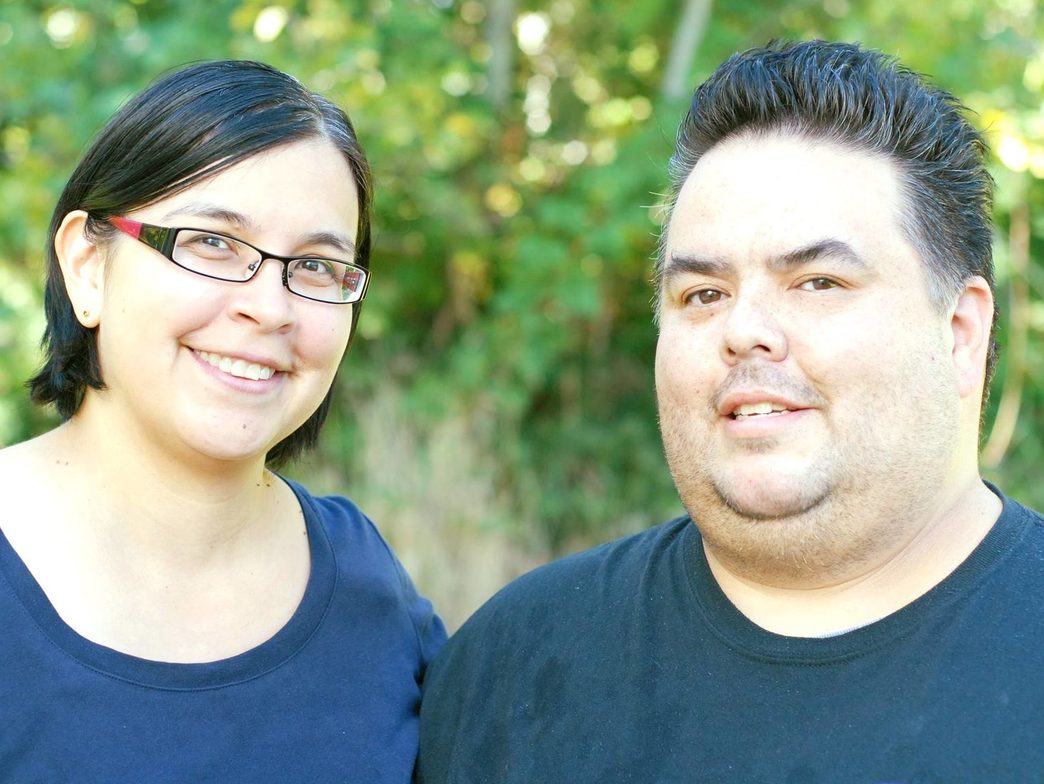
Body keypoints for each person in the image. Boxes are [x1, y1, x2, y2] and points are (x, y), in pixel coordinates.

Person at [418, 40, 1044, 782]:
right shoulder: (510, 668)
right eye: (703, 294)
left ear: (960, 332)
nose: (743, 329)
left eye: (817, 282)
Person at [0, 60, 444, 781]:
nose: (269, 308)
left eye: (316, 266)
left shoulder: (370, 588)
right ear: (87, 264)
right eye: (212, 242)